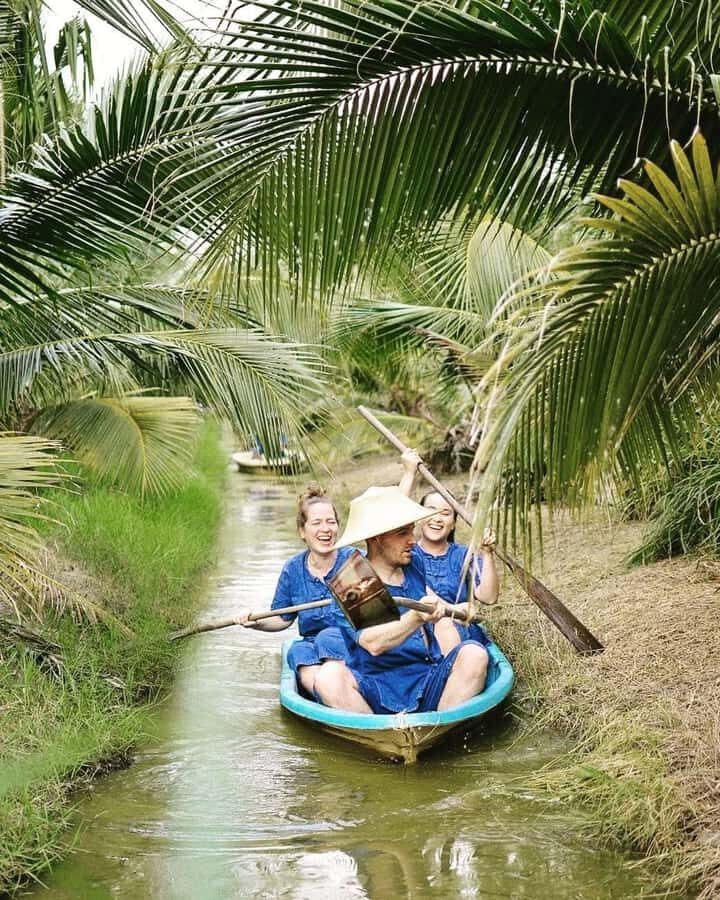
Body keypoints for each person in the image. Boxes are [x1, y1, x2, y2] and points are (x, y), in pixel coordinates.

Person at [314, 485, 489, 714]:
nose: (412, 540)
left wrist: (454, 608)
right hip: (376, 686)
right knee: (328, 677)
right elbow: (374, 643)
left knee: (474, 654)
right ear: (376, 538)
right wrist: (415, 617)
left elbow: (429, 601)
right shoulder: (351, 581)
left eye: (411, 531)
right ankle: (379, 735)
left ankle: (438, 726)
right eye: (402, 533)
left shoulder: (414, 563)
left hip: (426, 676)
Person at [235, 483, 359, 700]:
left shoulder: (352, 560)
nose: (325, 529)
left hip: (351, 643)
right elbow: (282, 619)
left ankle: (345, 692)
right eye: (316, 523)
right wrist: (255, 622)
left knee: (328, 638)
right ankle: (328, 698)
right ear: (302, 531)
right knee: (298, 651)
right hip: (312, 646)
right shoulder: (292, 569)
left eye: (331, 522)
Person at [398, 450, 499, 652]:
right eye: (430, 510)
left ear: (453, 523)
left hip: (460, 632)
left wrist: (487, 553)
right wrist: (409, 473)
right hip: (418, 634)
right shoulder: (407, 553)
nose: (436, 518)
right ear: (418, 516)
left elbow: (489, 597)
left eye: (445, 513)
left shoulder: (463, 555)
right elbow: (394, 517)